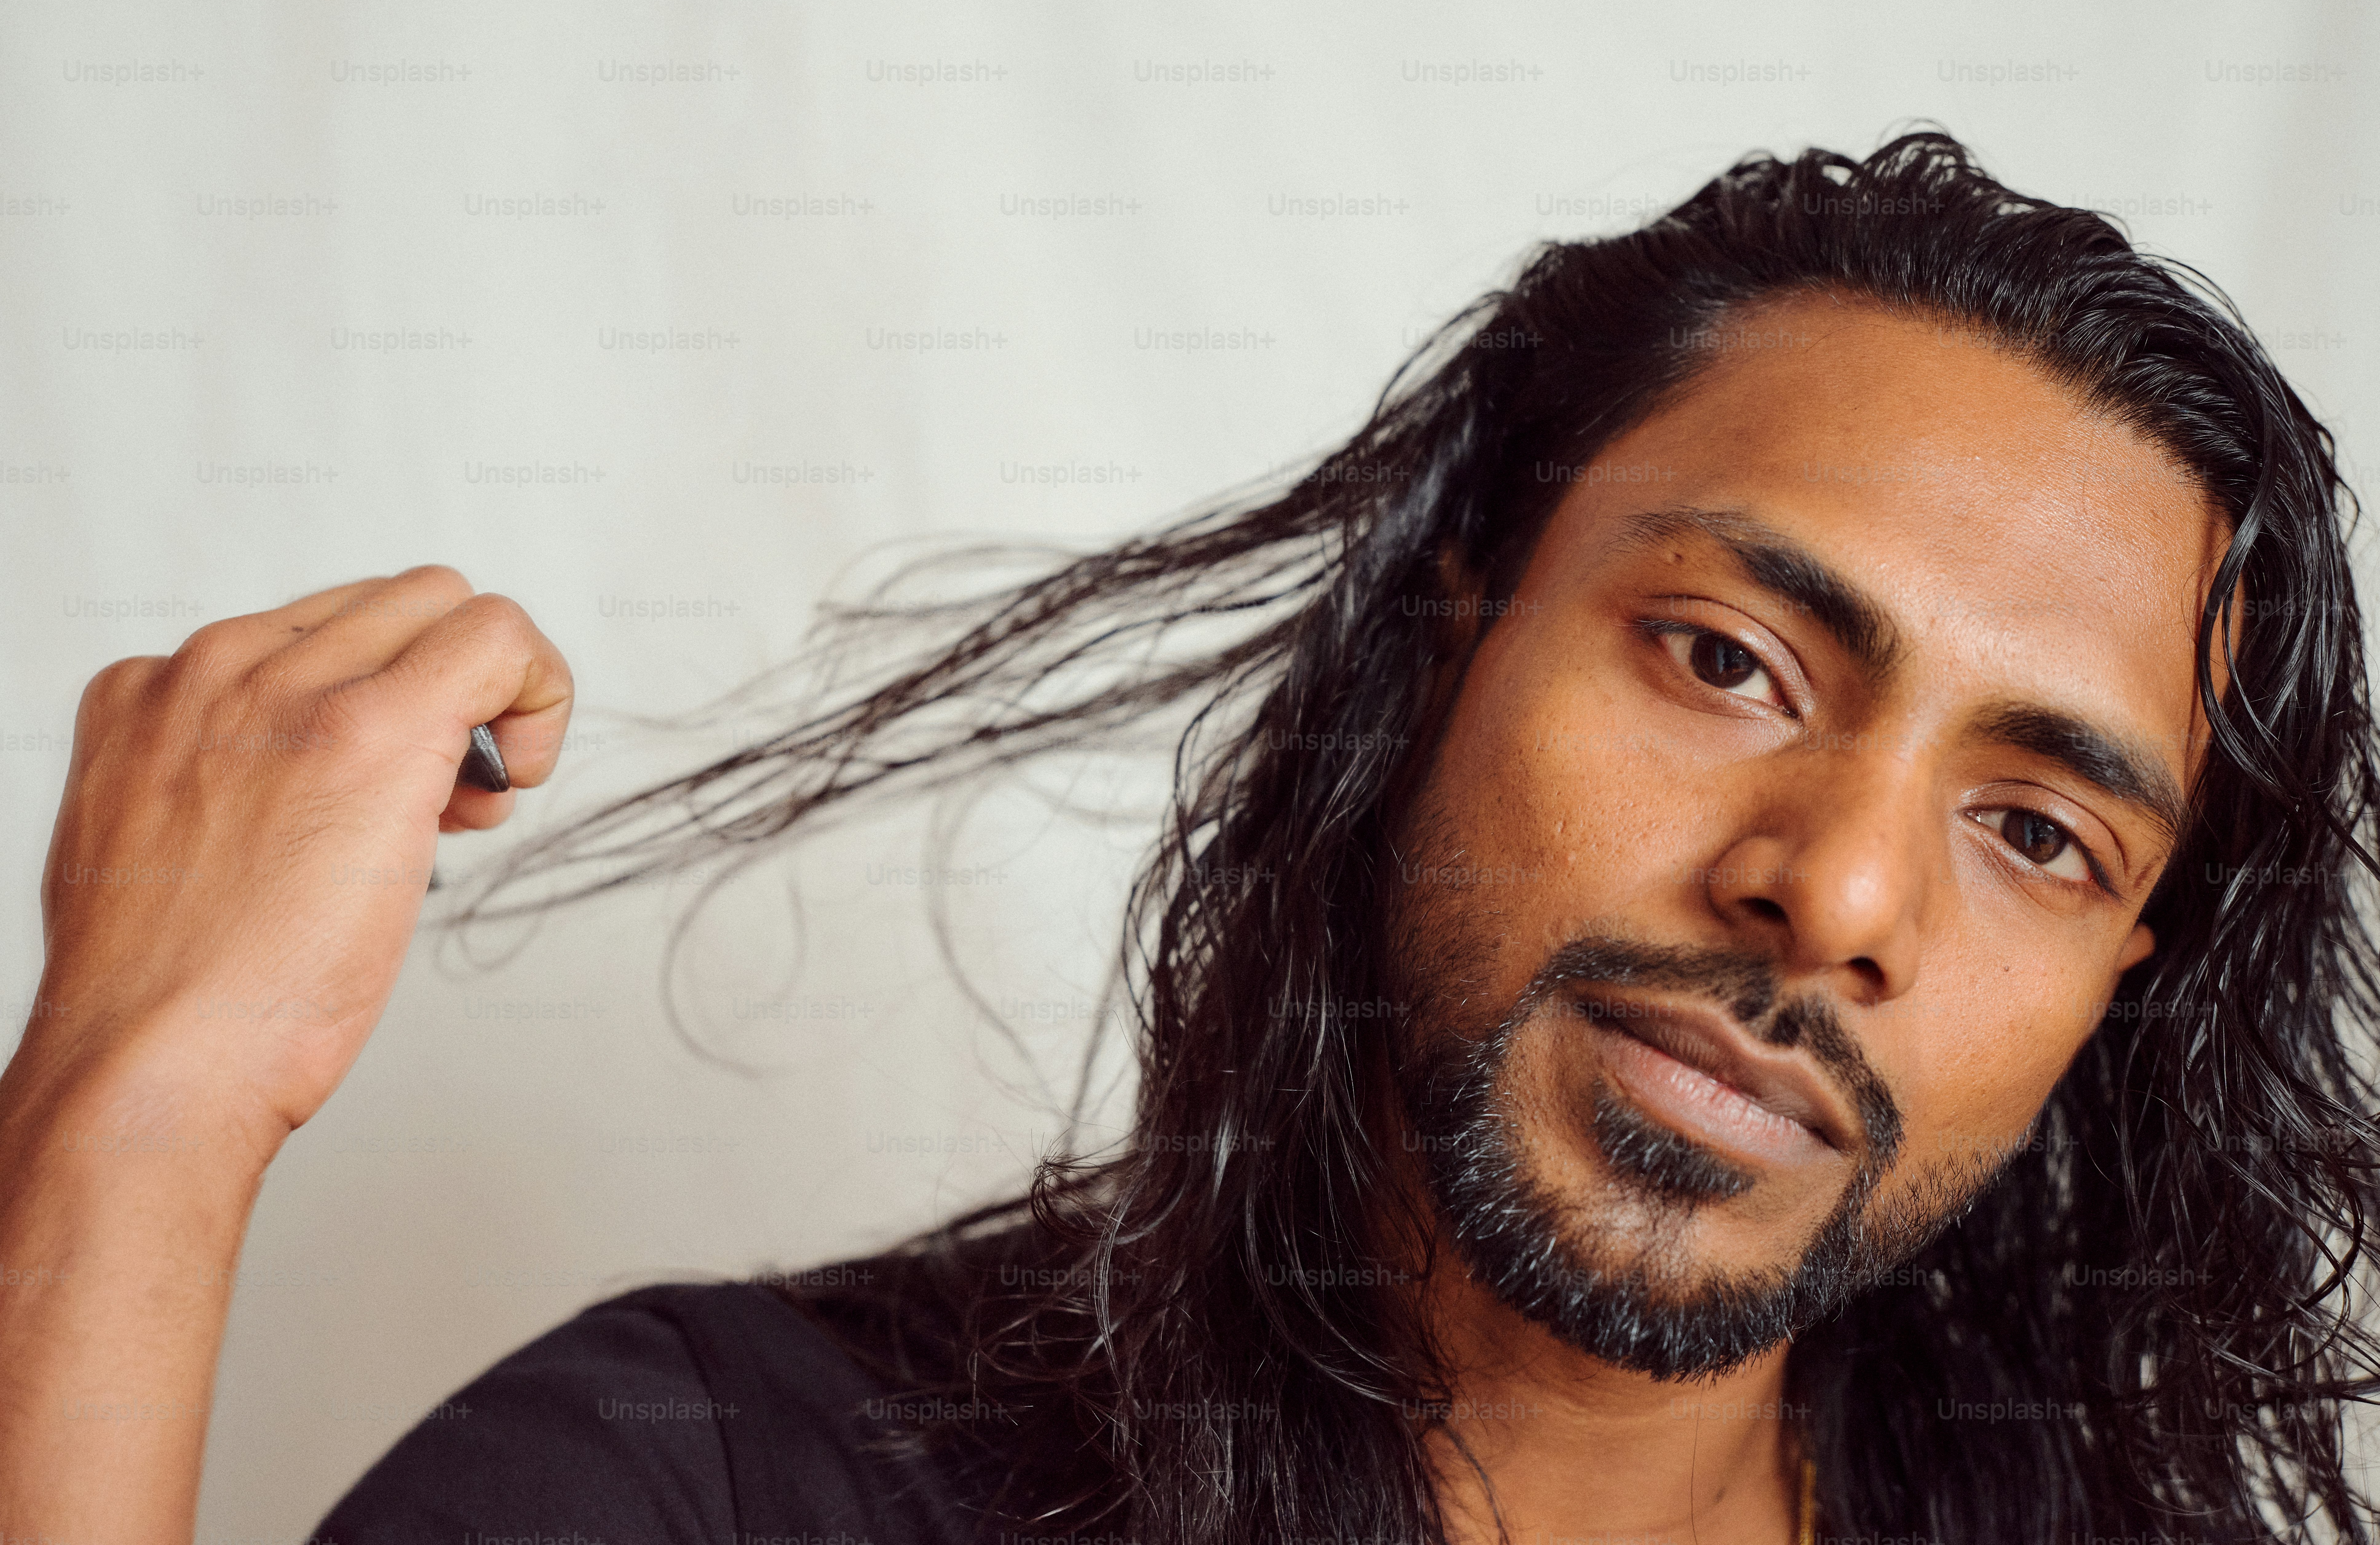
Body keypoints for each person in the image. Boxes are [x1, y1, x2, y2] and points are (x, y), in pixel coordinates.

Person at [6, 132, 2376, 1545]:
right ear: (1450, 635)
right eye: (1729, 662)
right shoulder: (724, 1491)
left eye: (2039, 830)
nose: (1839, 893)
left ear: (2129, 974)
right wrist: (133, 1140)